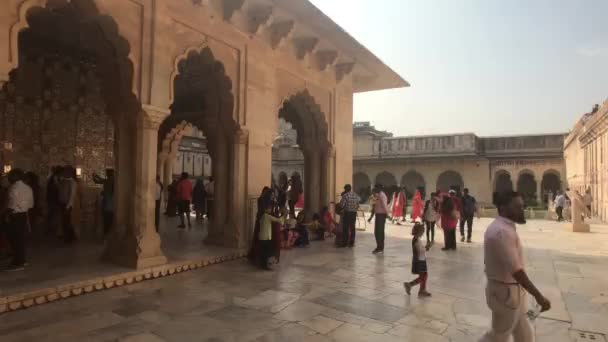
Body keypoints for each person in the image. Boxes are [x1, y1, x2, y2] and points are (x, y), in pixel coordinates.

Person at [480, 191, 551, 342]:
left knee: (524, 335)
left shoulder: (505, 228)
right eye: (517, 207)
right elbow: (516, 271)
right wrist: (538, 296)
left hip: (513, 292)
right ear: (503, 208)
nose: (522, 210)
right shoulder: (501, 232)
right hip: (505, 294)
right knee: (498, 336)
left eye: (522, 206)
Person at [3, 169, 33, 271]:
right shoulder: (28, 187)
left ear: (15, 176)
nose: (8, 178)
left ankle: (18, 262)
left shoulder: (13, 188)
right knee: (20, 239)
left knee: (14, 239)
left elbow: (11, 205)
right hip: (23, 215)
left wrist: (6, 214)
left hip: (14, 216)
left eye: (10, 176)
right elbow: (30, 204)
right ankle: (22, 260)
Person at [404, 222, 431, 298]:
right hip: (420, 260)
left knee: (424, 275)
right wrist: (427, 247)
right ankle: (410, 285)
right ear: (419, 231)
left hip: (420, 259)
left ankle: (422, 290)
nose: (423, 233)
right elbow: (420, 250)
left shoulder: (416, 239)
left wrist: (425, 247)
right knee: (423, 276)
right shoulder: (416, 240)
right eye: (422, 231)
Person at [257, 205, 285, 270]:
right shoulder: (267, 216)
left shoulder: (262, 217)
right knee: (267, 253)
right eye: (269, 208)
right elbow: (278, 220)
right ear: (265, 209)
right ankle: (266, 266)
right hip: (266, 238)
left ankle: (262, 266)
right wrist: (284, 215)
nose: (270, 210)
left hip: (261, 237)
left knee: (263, 252)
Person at [93, 169, 114, 236]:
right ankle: (108, 235)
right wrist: (95, 176)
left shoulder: (109, 181)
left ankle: (106, 235)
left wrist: (94, 176)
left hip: (108, 204)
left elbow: (97, 181)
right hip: (110, 204)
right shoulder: (111, 180)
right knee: (109, 221)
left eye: (107, 173)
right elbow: (99, 180)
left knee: (107, 221)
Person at [58, 166, 77, 244]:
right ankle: (69, 237)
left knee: (66, 222)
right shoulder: (64, 180)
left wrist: (68, 206)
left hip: (67, 205)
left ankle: (69, 238)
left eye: (66, 171)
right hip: (63, 203)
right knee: (64, 222)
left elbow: (72, 195)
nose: (64, 173)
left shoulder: (72, 182)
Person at [45, 166, 63, 236]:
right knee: (54, 214)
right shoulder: (55, 178)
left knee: (51, 214)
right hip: (55, 199)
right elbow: (58, 188)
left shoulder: (51, 177)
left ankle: (50, 229)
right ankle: (53, 230)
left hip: (52, 199)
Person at [373, 184, 389, 254]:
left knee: (379, 232)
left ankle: (380, 247)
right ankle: (379, 247)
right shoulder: (378, 195)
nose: (375, 189)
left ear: (379, 188)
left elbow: (384, 205)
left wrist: (387, 214)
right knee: (378, 232)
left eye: (376, 188)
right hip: (379, 215)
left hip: (381, 215)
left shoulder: (382, 195)